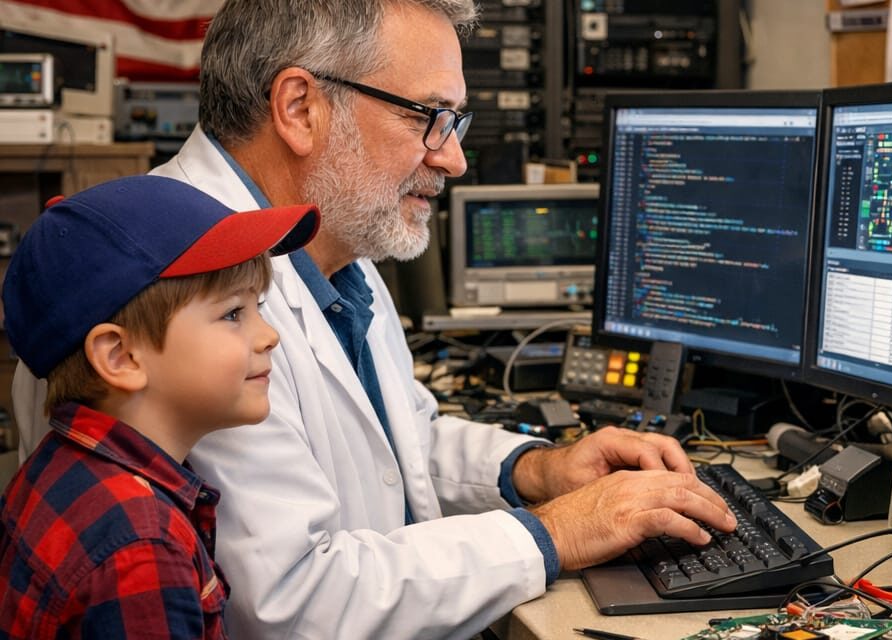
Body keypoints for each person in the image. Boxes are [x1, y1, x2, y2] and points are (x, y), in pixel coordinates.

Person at [12, 1, 736, 638]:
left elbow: (400, 444)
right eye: (429, 117)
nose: (452, 158)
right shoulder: (170, 292)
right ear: (299, 108)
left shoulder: (332, 249)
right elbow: (294, 603)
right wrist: (556, 533)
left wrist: (538, 470)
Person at [0, 175, 319, 639]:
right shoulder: (140, 548)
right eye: (233, 313)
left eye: (260, 306)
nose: (269, 335)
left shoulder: (61, 466)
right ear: (120, 357)